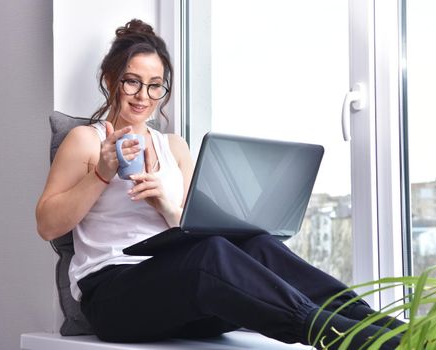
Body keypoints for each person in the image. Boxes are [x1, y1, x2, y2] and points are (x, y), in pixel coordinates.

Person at [36, 19, 403, 349]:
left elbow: (199, 226)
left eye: (155, 86)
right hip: (115, 298)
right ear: (111, 80)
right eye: (133, 81)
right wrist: (101, 172)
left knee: (257, 244)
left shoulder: (174, 147)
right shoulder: (86, 140)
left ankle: (384, 328)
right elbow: (47, 224)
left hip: (186, 296)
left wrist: (166, 205)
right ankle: (337, 336)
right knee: (210, 254)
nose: (143, 96)